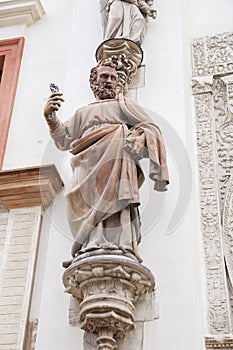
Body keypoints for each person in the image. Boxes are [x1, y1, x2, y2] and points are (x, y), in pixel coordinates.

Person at [44, 62, 169, 263]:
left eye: (112, 78)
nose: (109, 81)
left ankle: (120, 244)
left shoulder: (124, 105)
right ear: (94, 81)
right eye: (104, 77)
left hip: (116, 161)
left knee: (116, 198)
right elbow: (63, 140)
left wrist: (137, 136)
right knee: (75, 196)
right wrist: (50, 117)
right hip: (86, 164)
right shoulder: (82, 112)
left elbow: (151, 128)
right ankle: (90, 243)